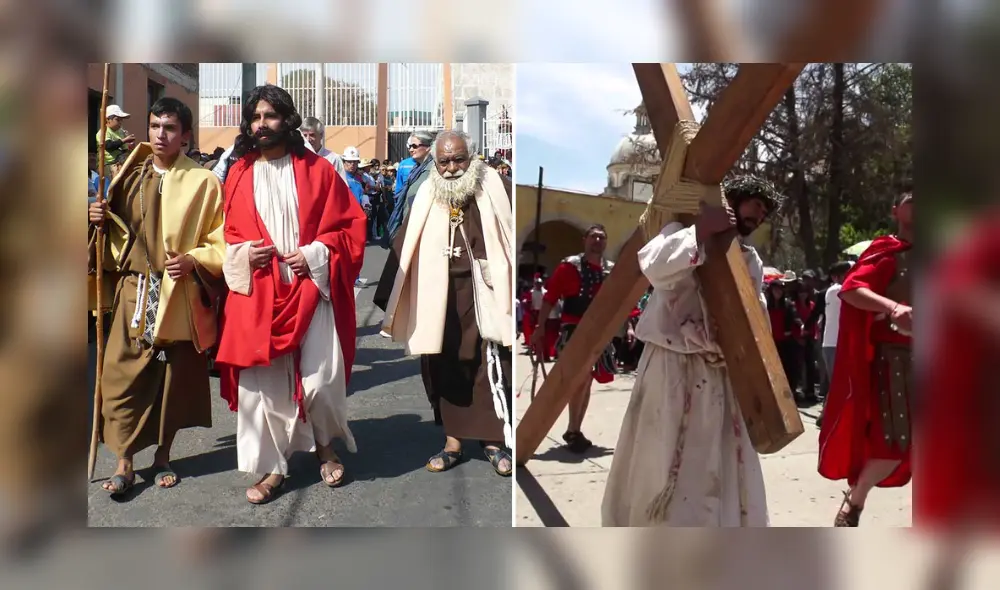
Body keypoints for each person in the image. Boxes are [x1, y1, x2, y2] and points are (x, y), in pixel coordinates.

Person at [213, 85, 367, 505]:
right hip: (260, 292)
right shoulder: (239, 173)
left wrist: (316, 254)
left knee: (320, 380)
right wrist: (244, 254)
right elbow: (227, 234)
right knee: (265, 388)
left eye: (270, 116)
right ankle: (273, 467)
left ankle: (324, 446)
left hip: (311, 286)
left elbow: (350, 227)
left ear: (288, 120)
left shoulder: (318, 170)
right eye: (255, 117)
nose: (262, 124)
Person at [601, 175, 781, 526]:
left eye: (765, 212)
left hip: (720, 374)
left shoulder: (749, 259)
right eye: (756, 205)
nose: (759, 215)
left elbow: (755, 316)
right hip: (672, 366)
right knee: (663, 456)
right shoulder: (680, 231)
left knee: (717, 461)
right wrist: (701, 231)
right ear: (733, 199)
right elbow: (654, 267)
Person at [88, 97, 226, 497]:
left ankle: (163, 456)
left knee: (172, 378)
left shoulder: (204, 181)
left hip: (178, 293)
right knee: (121, 376)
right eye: (154, 126)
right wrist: (96, 219)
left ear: (185, 136)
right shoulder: (127, 175)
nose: (160, 134)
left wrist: (194, 259)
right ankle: (124, 461)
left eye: (169, 128)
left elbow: (220, 240)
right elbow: (111, 233)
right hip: (135, 290)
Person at [377, 129, 514, 477]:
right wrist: (394, 288)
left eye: (458, 159)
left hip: (485, 292)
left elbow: (514, 233)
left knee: (489, 363)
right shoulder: (427, 192)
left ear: (472, 157)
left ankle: (493, 442)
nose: (452, 168)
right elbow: (407, 241)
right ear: (435, 163)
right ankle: (453, 442)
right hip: (438, 296)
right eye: (444, 161)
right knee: (442, 364)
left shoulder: (495, 186)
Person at [818, 191, 913, 526]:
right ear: (895, 210)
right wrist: (893, 307)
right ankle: (855, 502)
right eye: (912, 201)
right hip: (897, 362)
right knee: (895, 445)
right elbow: (852, 289)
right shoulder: (885, 252)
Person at [530, 224, 617, 453]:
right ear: (584, 239)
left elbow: (616, 302)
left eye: (602, 237)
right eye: (593, 236)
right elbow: (550, 297)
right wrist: (540, 327)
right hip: (573, 329)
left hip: (598, 331)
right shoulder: (569, 266)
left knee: (586, 382)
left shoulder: (610, 270)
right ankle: (572, 429)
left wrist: (624, 327)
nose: (597, 240)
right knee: (579, 379)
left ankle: (574, 429)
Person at [815, 260, 853, 427]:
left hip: (834, 342)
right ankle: (828, 417)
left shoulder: (835, 290)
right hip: (834, 343)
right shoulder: (836, 290)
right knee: (838, 383)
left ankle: (827, 416)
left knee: (838, 382)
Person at [299, 116, 348, 183]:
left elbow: (342, 185)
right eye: (305, 135)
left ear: (321, 135)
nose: (308, 139)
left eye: (312, 135)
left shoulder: (333, 159)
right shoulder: (298, 158)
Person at [96, 104, 135, 177]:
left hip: (121, 161)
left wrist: (130, 144)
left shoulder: (121, 132)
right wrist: (124, 140)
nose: (120, 122)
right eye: (117, 120)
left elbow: (125, 149)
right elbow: (108, 146)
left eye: (121, 120)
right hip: (107, 164)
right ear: (108, 120)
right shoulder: (103, 132)